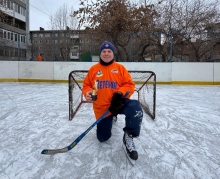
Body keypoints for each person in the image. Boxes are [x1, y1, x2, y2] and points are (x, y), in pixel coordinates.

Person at [82, 41, 143, 164]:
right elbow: (86, 85)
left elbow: (129, 85)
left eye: (109, 51)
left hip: (118, 103)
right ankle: (111, 117)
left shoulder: (120, 68)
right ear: (100, 54)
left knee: (135, 108)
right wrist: (87, 92)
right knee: (102, 138)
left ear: (113, 53)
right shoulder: (94, 69)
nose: (106, 53)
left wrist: (120, 94)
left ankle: (129, 136)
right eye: (103, 51)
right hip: (102, 108)